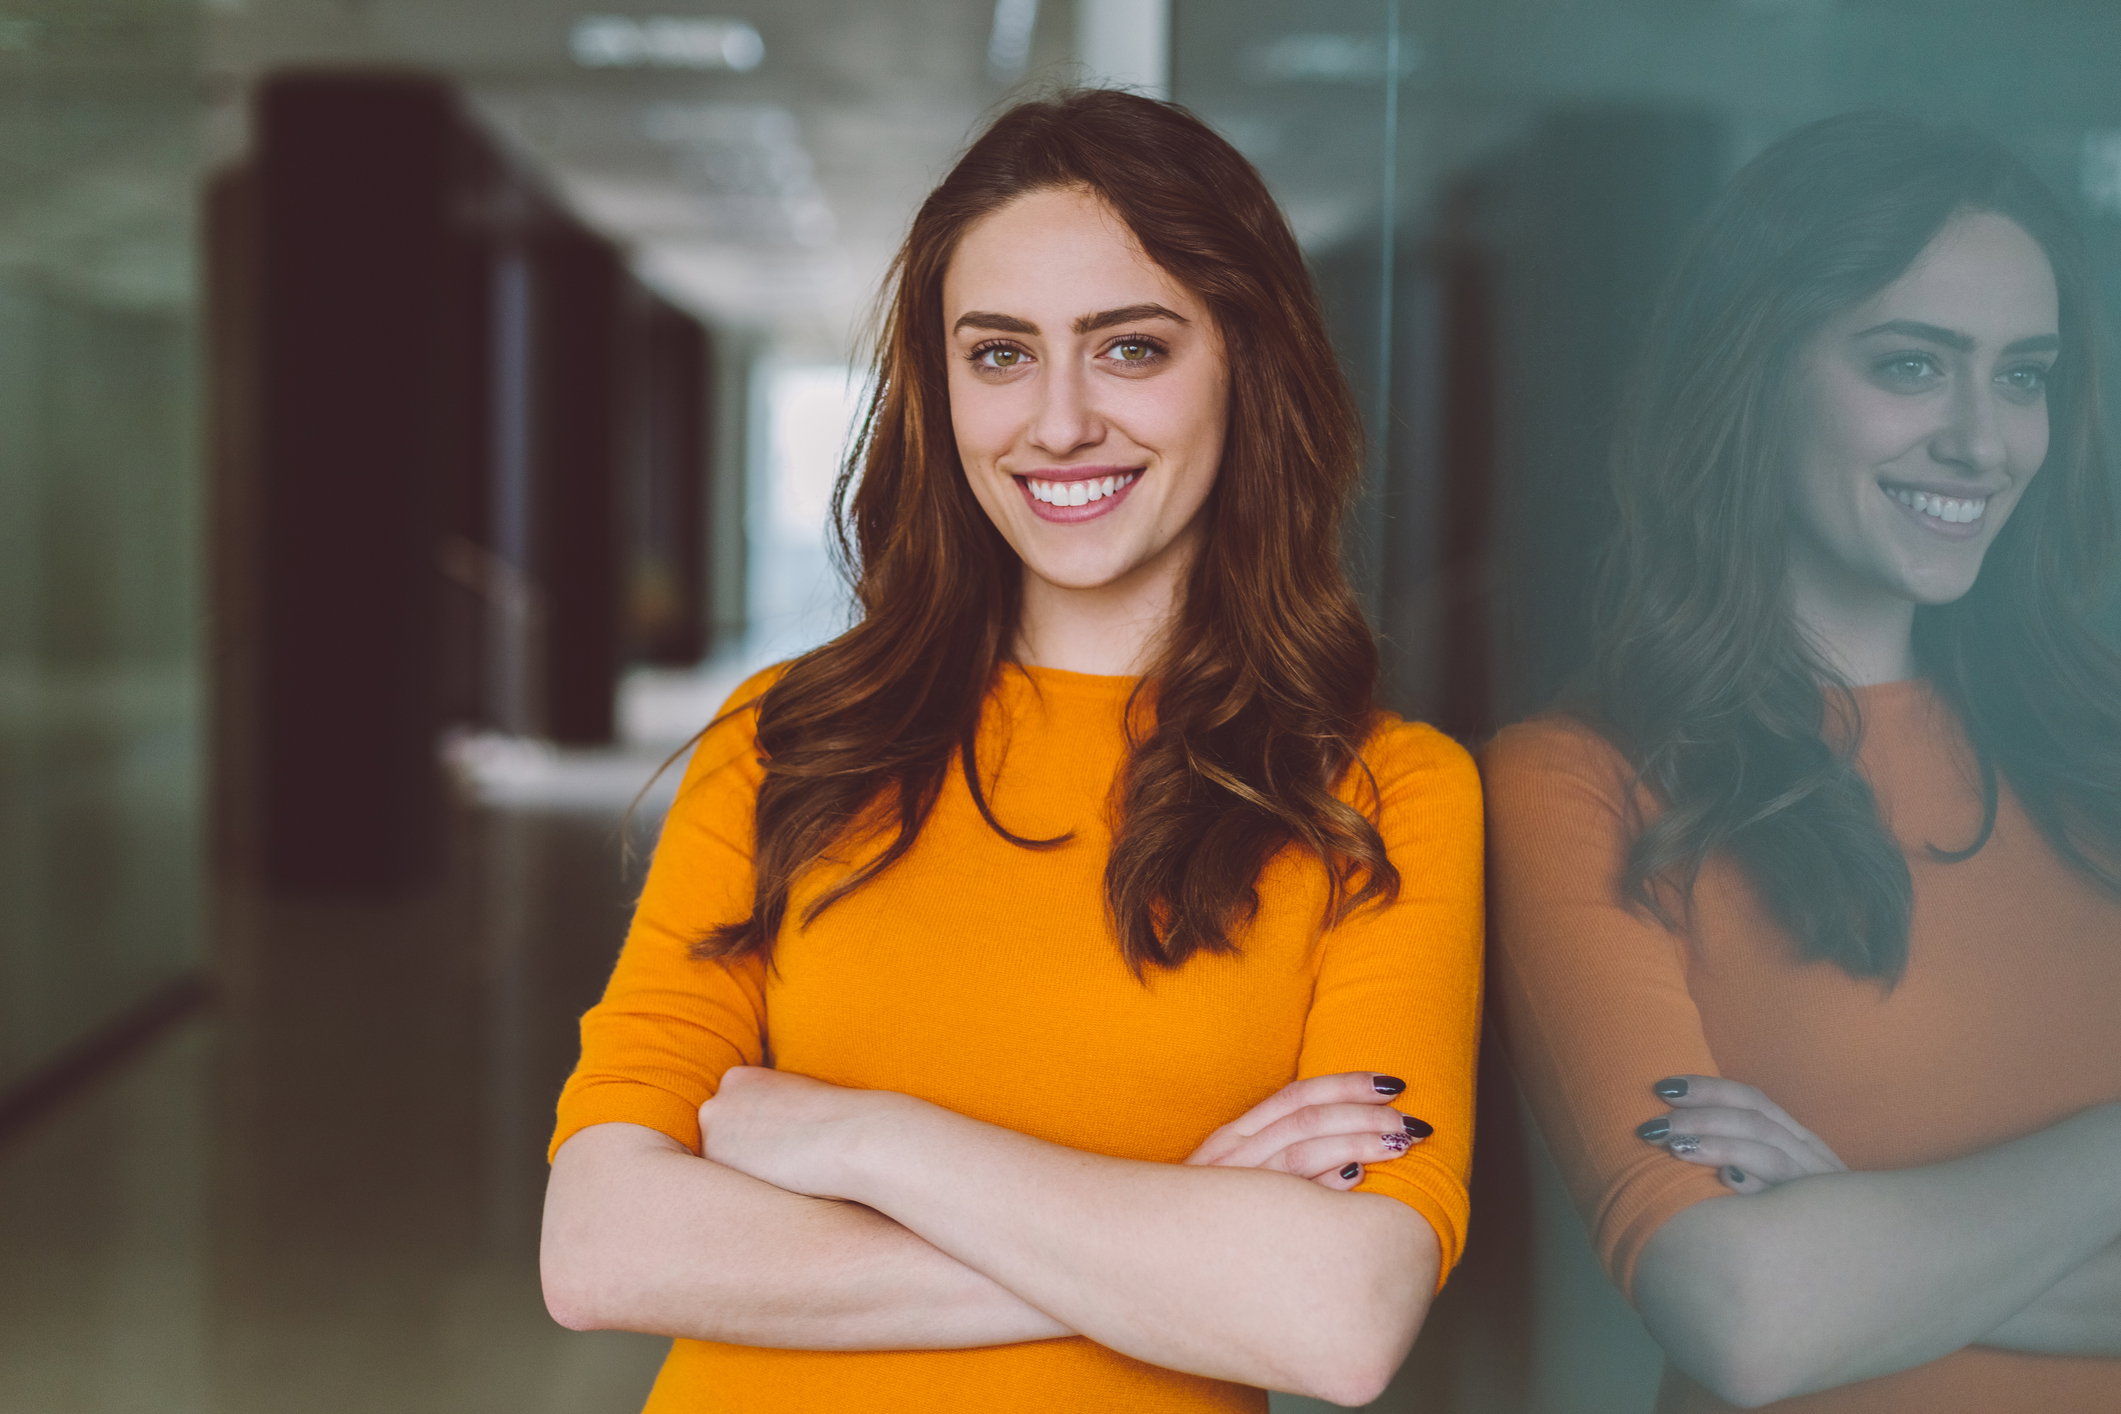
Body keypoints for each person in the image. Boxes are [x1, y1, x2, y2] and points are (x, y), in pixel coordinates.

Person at [539, 89, 1483, 1413]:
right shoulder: (787, 741)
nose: (1058, 422)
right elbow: (601, 1247)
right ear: (939, 390)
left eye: (1130, 348)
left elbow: (1338, 1319)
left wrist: (865, 1140)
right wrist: (1178, 1239)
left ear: (1246, 362)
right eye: (998, 354)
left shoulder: (1380, 795)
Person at [1486, 110, 2121, 1412]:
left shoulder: (2096, 751)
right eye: (1910, 365)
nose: (1982, 439)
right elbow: (1747, 1315)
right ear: (1756, 371)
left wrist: (1855, 1229)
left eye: (2023, 377)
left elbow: (1807, 1293)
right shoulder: (1578, 784)